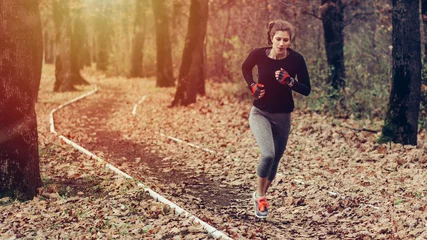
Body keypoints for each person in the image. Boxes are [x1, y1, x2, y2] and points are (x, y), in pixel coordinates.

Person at [241, 19, 311, 219]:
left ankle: (261, 194)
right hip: (260, 113)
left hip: (283, 116)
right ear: (271, 38)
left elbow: (306, 89)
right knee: (268, 154)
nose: (281, 43)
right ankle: (261, 197)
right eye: (278, 39)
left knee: (276, 159)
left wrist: (290, 81)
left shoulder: (296, 60)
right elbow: (245, 68)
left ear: (290, 41)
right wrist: (252, 86)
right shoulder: (258, 54)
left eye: (286, 40)